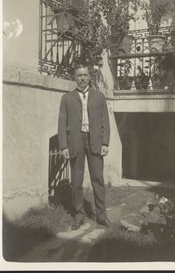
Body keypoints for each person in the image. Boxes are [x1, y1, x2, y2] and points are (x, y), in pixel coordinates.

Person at [58, 64, 111, 230]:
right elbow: (62, 124)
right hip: (76, 142)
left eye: (85, 75)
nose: (82, 78)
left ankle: (101, 216)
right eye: (79, 75)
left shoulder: (99, 97)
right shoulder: (67, 98)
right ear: (74, 77)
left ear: (90, 77)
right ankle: (79, 216)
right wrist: (63, 146)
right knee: (76, 182)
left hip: (94, 141)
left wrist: (105, 142)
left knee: (98, 179)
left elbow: (105, 121)